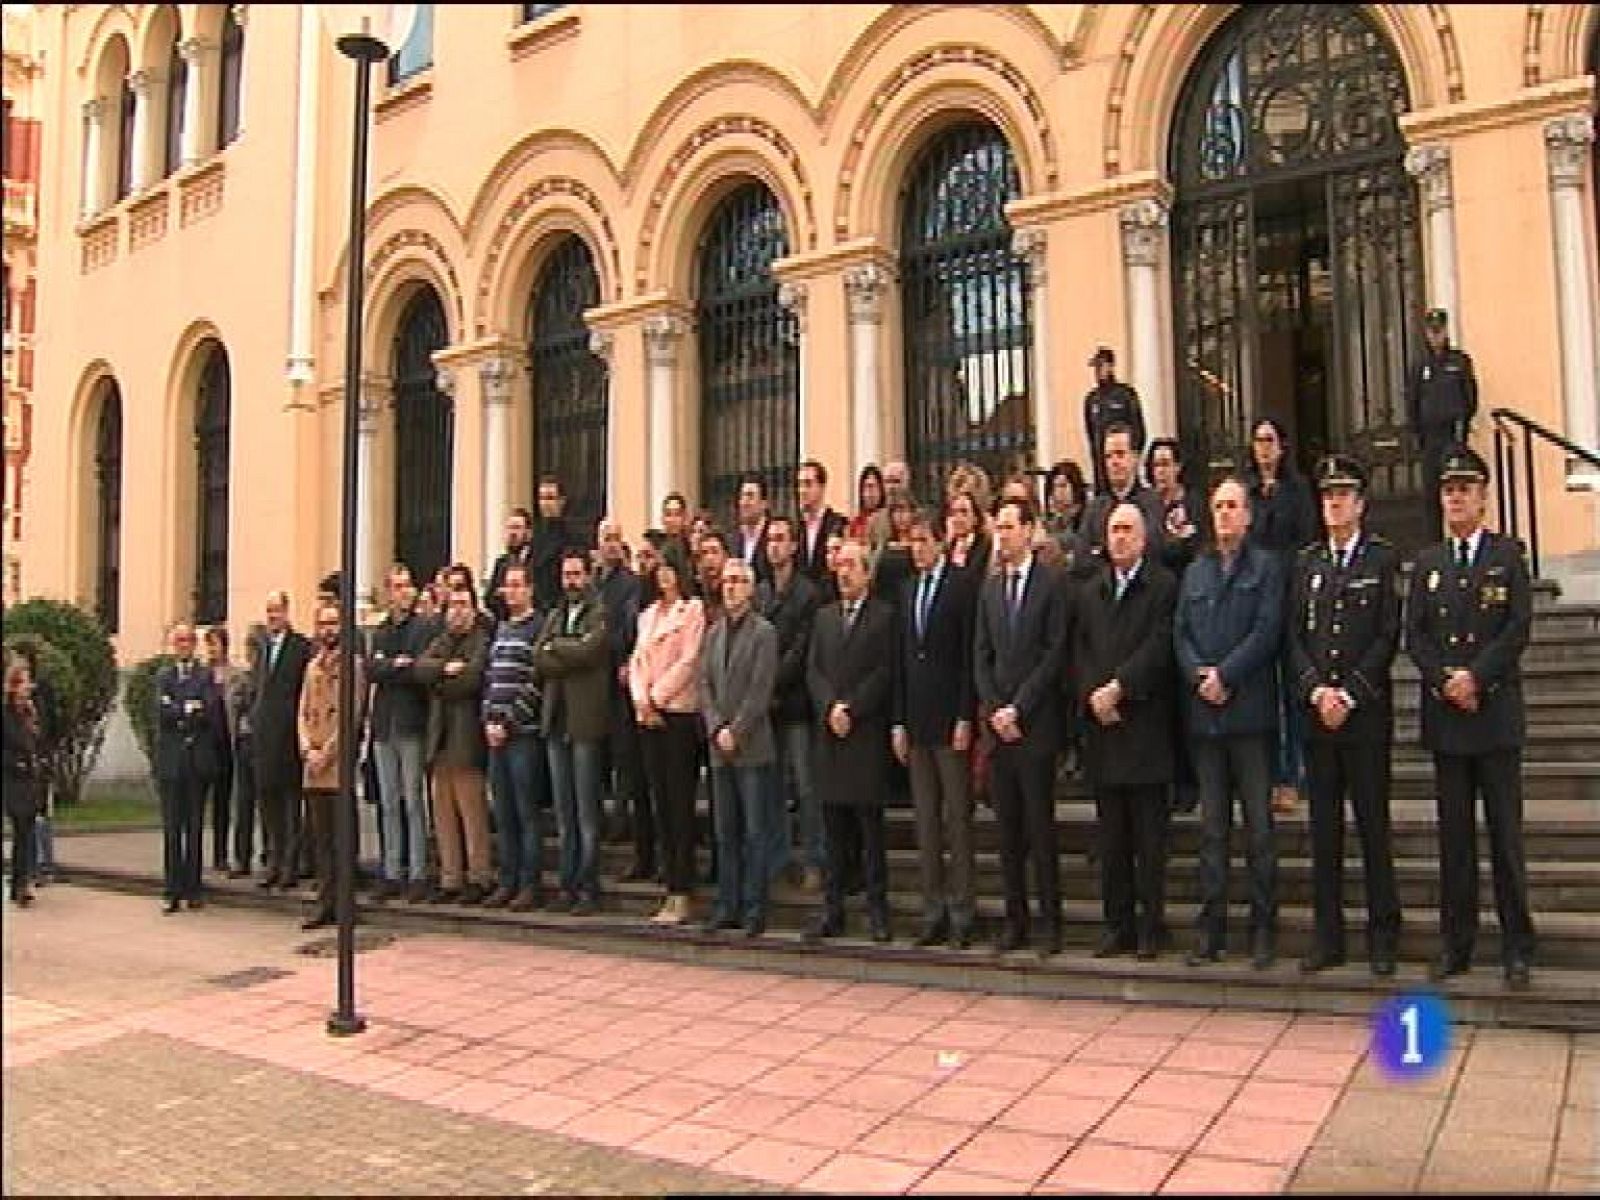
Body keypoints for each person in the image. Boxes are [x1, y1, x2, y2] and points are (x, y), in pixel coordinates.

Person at [1407, 445, 1535, 990]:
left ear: (1483, 497)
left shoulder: (1508, 556)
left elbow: (1517, 628)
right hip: (1448, 721)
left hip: (1494, 715)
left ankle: (1516, 948)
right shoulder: (1430, 564)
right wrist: (1445, 681)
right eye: (1448, 490)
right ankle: (1456, 944)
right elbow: (1416, 634)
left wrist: (1475, 678)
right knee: (1454, 843)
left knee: (1505, 840)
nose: (1455, 498)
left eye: (1465, 489)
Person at [1289, 454, 1402, 977]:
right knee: (1324, 832)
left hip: (1363, 717)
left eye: (1342, 496)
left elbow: (1386, 636)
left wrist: (1349, 694)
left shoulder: (1381, 561)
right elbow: (1296, 637)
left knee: (1372, 829)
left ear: (1360, 504)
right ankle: (1327, 937)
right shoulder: (1308, 563)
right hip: (1319, 719)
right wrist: (1316, 692)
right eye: (1326, 496)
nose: (1332, 504)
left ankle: (1383, 934)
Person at [1176, 478, 1284, 969]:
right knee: (1212, 830)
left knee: (1259, 831)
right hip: (1207, 720)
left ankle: (1263, 927)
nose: (1224, 513)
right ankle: (1211, 926)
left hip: (1249, 716)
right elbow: (1180, 633)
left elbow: (1266, 632)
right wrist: (1199, 674)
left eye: (1232, 505)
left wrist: (1226, 675)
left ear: (1248, 515)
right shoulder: (1196, 572)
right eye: (1217, 505)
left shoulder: (1266, 568)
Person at [1075, 503, 1178, 960]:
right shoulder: (1091, 591)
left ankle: (1151, 927)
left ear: (1143, 537)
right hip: (1103, 731)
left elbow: (1161, 645)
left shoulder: (1163, 587)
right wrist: (1094, 694)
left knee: (1150, 843)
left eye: (1127, 530)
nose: (1118, 537)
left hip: (1145, 727)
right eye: (1113, 529)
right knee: (1112, 841)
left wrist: (1120, 687)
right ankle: (1117, 926)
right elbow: (1078, 652)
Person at [974, 499, 1071, 957]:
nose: (1003, 537)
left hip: (1035, 726)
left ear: (1030, 530)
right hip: (1000, 730)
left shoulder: (1051, 585)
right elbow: (981, 655)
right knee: (1007, 832)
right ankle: (1016, 920)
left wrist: (1020, 708)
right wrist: (995, 708)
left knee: (1039, 827)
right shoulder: (991, 589)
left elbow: (1054, 654)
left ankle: (1051, 922)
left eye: (1011, 528)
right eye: (999, 529)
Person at [892, 507, 979, 949]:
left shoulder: (961, 587)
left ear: (940, 541)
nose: (917, 548)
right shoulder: (907, 591)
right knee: (925, 820)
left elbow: (968, 657)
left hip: (951, 718)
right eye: (911, 541)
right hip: (917, 719)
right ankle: (933, 908)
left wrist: (966, 715)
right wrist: (899, 721)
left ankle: (964, 909)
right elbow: (903, 660)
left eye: (924, 540)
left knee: (956, 820)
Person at [805, 539, 895, 944]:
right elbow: (814, 670)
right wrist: (829, 707)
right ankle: (832, 909)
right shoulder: (823, 618)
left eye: (851, 567)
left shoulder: (883, 617)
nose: (843, 573)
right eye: (839, 566)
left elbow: (883, 672)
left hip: (865, 734)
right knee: (833, 831)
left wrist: (851, 709)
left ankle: (878, 912)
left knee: (870, 833)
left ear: (867, 573)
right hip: (831, 735)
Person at [699, 558, 781, 937]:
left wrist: (737, 730)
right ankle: (726, 904)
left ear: (750, 588)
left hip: (752, 748)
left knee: (754, 831)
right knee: (724, 832)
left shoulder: (764, 633)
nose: (730, 587)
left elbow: (761, 690)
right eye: (726, 581)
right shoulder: (713, 633)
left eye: (737, 581)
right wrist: (717, 727)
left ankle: (754, 907)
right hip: (719, 749)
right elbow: (704, 686)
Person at [1244, 416, 1317, 817]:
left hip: (1289, 595)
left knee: (1292, 691)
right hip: (1255, 599)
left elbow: (1306, 541)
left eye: (1270, 440)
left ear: (1282, 446)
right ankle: (1267, 775)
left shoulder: (1298, 490)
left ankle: (1293, 775)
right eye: (1259, 441)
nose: (1264, 448)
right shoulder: (1248, 492)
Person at [631, 542, 707, 925]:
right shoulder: (646, 616)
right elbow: (637, 662)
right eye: (658, 568)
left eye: (669, 567)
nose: (663, 575)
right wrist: (642, 700)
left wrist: (658, 698)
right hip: (649, 717)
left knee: (679, 805)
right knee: (659, 802)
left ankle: (684, 890)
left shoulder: (692, 611)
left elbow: (689, 660)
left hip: (677, 715)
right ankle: (668, 887)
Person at [535, 549, 611, 915]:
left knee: (586, 812)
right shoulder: (555, 614)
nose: (571, 581)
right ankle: (567, 883)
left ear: (588, 575)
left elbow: (589, 653)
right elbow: (539, 657)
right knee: (564, 814)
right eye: (566, 575)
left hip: (585, 723)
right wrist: (565, 652)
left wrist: (559, 650)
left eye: (577, 574)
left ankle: (588, 885)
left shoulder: (599, 611)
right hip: (556, 721)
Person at [415, 585, 493, 904]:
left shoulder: (481, 641)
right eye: (452, 606)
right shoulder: (441, 641)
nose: (457, 611)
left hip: (466, 738)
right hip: (439, 739)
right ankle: (450, 876)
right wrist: (444, 670)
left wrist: (440, 683)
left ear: (474, 609)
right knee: (443, 814)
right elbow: (420, 669)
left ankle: (478, 876)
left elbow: (471, 679)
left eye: (463, 605)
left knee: (471, 813)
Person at [758, 514, 823, 891]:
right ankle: (778, 858)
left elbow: (801, 650)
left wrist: (769, 681)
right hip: (767, 708)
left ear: (795, 546)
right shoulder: (762, 592)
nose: (775, 546)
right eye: (771, 540)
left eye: (782, 539)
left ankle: (815, 859)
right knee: (773, 787)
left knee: (806, 786)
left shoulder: (807, 593)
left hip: (795, 702)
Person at [482, 562, 549, 911]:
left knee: (526, 812)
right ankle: (507, 881)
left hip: (522, 735)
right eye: (508, 585)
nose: (513, 591)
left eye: (519, 585)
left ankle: (529, 883)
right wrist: (488, 721)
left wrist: (507, 723)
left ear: (531, 589)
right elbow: (490, 680)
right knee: (503, 813)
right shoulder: (502, 628)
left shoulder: (538, 627)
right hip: (495, 736)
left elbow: (535, 684)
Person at [295, 603, 366, 930]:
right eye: (322, 623)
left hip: (337, 765)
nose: (328, 629)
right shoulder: (312, 668)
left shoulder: (353, 666)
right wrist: (307, 747)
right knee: (320, 840)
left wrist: (328, 752)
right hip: (313, 764)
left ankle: (346, 905)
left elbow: (351, 715)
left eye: (334, 623)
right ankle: (324, 903)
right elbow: (302, 711)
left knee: (342, 839)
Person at [367, 565, 433, 904]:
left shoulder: (423, 628)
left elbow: (419, 670)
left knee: (413, 800)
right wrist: (396, 665)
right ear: (388, 592)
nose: (402, 592)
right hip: (384, 725)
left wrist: (393, 666)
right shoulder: (380, 631)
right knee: (389, 802)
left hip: (411, 723)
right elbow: (372, 669)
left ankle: (418, 872)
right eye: (396, 586)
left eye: (407, 585)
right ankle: (392, 870)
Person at [155, 623, 222, 913]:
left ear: (194, 644)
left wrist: (181, 709)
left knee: (194, 827)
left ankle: (194, 888)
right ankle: (172, 889)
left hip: (196, 761)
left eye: (188, 640)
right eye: (178, 640)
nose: (183, 645)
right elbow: (161, 712)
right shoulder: (164, 676)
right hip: (171, 763)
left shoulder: (205, 675)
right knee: (172, 828)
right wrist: (186, 709)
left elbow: (208, 710)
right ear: (173, 644)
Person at [596, 518, 649, 876]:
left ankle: (623, 818)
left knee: (625, 755)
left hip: (624, 679)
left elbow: (628, 630)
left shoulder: (631, 584)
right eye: (606, 540)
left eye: (617, 538)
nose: (612, 545)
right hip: (595, 682)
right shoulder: (595, 584)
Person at [252, 591, 313, 892]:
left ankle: (290, 864)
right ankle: (272, 861)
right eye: (269, 611)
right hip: (264, 735)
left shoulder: (301, 647)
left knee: (291, 805)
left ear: (287, 612)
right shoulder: (261, 648)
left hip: (289, 735)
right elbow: (258, 688)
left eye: (277, 611)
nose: (273, 616)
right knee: (268, 803)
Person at [1407, 308, 1478, 543]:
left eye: (1439, 330)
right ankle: (1435, 545)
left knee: (1458, 491)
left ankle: (1462, 540)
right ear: (1426, 333)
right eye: (1431, 331)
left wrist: (1463, 429)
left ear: (1446, 331)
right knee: (1432, 496)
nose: (1435, 335)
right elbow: (1413, 401)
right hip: (1430, 439)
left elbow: (1470, 398)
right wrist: (1417, 435)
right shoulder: (1420, 365)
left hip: (1453, 437)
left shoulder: (1459, 361)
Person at [1081, 424, 1166, 563]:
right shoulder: (1094, 509)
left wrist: (1102, 551)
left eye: (1120, 454)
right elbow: (1082, 560)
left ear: (1135, 458)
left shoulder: (1153, 504)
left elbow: (1153, 552)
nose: (1114, 462)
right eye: (1108, 456)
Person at [4, 658, 44, 907]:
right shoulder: (6, 712)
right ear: (15, 684)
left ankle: (22, 880)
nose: (29, 686)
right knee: (20, 831)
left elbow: (38, 740)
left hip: (31, 778)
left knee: (28, 832)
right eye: (25, 682)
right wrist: (15, 763)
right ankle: (19, 885)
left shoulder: (29, 711)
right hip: (13, 779)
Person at [226, 624, 264, 877]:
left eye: (254, 648)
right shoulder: (243, 678)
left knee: (267, 803)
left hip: (264, 744)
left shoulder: (267, 677)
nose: (251, 653)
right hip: (244, 743)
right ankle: (241, 857)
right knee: (243, 803)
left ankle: (269, 854)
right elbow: (233, 707)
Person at [201, 625, 238, 874]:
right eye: (209, 644)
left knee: (223, 801)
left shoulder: (235, 675)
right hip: (205, 744)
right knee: (203, 799)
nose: (213, 649)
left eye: (216, 643)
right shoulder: (201, 675)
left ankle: (222, 854)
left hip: (227, 744)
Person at [1083, 346, 1146, 494]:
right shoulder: (1092, 399)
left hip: (1124, 465)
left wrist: (1133, 457)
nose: (1097, 371)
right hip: (1101, 470)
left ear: (1111, 366)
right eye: (1095, 367)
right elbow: (1091, 435)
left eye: (1101, 365)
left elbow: (1139, 430)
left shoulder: (1125, 395)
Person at [1146, 437, 1206, 578]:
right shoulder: (1146, 505)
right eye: (1156, 465)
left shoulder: (1194, 503)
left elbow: (1197, 547)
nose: (1160, 471)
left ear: (1177, 467)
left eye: (1165, 464)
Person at [531, 477, 581, 612]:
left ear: (561, 501)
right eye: (542, 498)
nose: (545, 504)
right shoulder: (535, 535)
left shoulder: (572, 535)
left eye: (550, 498)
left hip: (558, 605)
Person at [796, 459, 847, 584]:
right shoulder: (795, 527)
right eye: (800, 484)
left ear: (822, 487)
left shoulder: (838, 524)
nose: (802, 491)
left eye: (808, 484)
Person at [486, 507, 535, 624]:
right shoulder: (501, 562)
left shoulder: (537, 562)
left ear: (528, 533)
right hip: (504, 622)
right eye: (510, 528)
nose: (512, 533)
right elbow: (489, 598)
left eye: (517, 528)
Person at [734, 475, 774, 586]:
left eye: (750, 496)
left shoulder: (773, 536)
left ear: (764, 503)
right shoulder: (733, 538)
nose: (744, 502)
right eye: (742, 496)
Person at [1045, 459, 1089, 560]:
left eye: (1062, 486)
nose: (1057, 493)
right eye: (1053, 487)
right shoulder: (1051, 523)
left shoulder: (1088, 518)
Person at [945, 490, 992, 579]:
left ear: (975, 518)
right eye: (954, 512)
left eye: (964, 512)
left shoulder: (985, 547)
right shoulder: (948, 549)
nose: (958, 518)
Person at [847, 464, 886, 544]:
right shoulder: (855, 524)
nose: (870, 494)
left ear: (881, 490)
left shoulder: (889, 520)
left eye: (873, 487)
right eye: (867, 487)